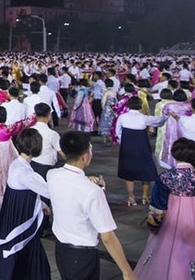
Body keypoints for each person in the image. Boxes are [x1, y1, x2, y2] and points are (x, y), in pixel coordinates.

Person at [47, 131, 135, 280]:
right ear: (85, 156)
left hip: (61, 250)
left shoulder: (52, 175)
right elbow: (107, 236)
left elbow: (70, 186)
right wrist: (127, 271)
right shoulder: (91, 191)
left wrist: (90, 183)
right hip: (82, 256)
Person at [0, 128, 51, 280]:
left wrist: (41, 205)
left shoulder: (16, 164)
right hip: (21, 218)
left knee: (18, 250)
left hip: (13, 215)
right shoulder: (27, 173)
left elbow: (27, 193)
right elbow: (50, 191)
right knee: (21, 248)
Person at [134, 137, 195, 279]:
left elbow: (157, 207)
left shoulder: (166, 177)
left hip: (173, 224)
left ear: (174, 154)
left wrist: (153, 228)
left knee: (168, 255)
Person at [115, 95, 167, 206]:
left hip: (127, 148)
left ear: (128, 105)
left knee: (128, 173)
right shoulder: (144, 118)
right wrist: (166, 116)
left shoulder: (122, 117)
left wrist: (123, 141)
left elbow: (117, 131)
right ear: (140, 106)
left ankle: (131, 198)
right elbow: (159, 121)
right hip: (142, 147)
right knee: (146, 171)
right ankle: (145, 197)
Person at [29, 103, 63, 180]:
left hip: (31, 163)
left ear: (35, 114)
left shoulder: (30, 130)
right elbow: (61, 152)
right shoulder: (52, 134)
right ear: (49, 116)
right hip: (46, 167)